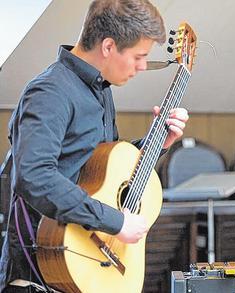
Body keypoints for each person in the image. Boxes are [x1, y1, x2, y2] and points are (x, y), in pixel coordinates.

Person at [0, 0, 189, 291]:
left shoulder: (99, 90)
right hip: (40, 272)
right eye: (139, 56)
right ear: (109, 46)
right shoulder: (50, 92)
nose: (142, 67)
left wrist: (158, 142)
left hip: (83, 259)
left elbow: (101, 172)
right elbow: (35, 177)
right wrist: (115, 221)